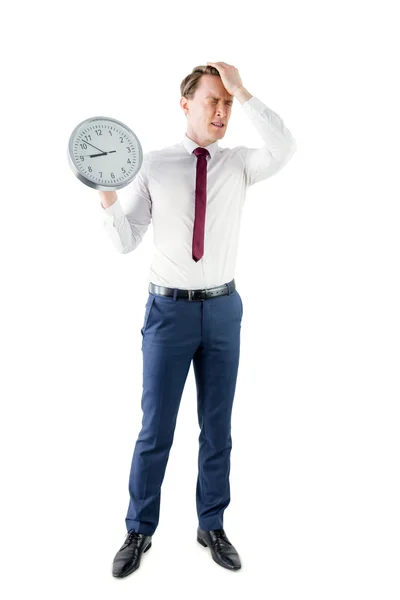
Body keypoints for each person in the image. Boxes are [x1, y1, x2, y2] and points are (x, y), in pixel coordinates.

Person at [99, 62, 297, 577]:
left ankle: (211, 523)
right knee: (155, 430)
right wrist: (106, 197)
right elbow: (125, 241)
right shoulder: (154, 164)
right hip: (168, 313)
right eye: (213, 99)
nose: (223, 110)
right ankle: (138, 530)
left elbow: (285, 148)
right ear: (185, 103)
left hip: (224, 309)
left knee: (217, 428)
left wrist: (243, 88)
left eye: (227, 102)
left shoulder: (239, 163)